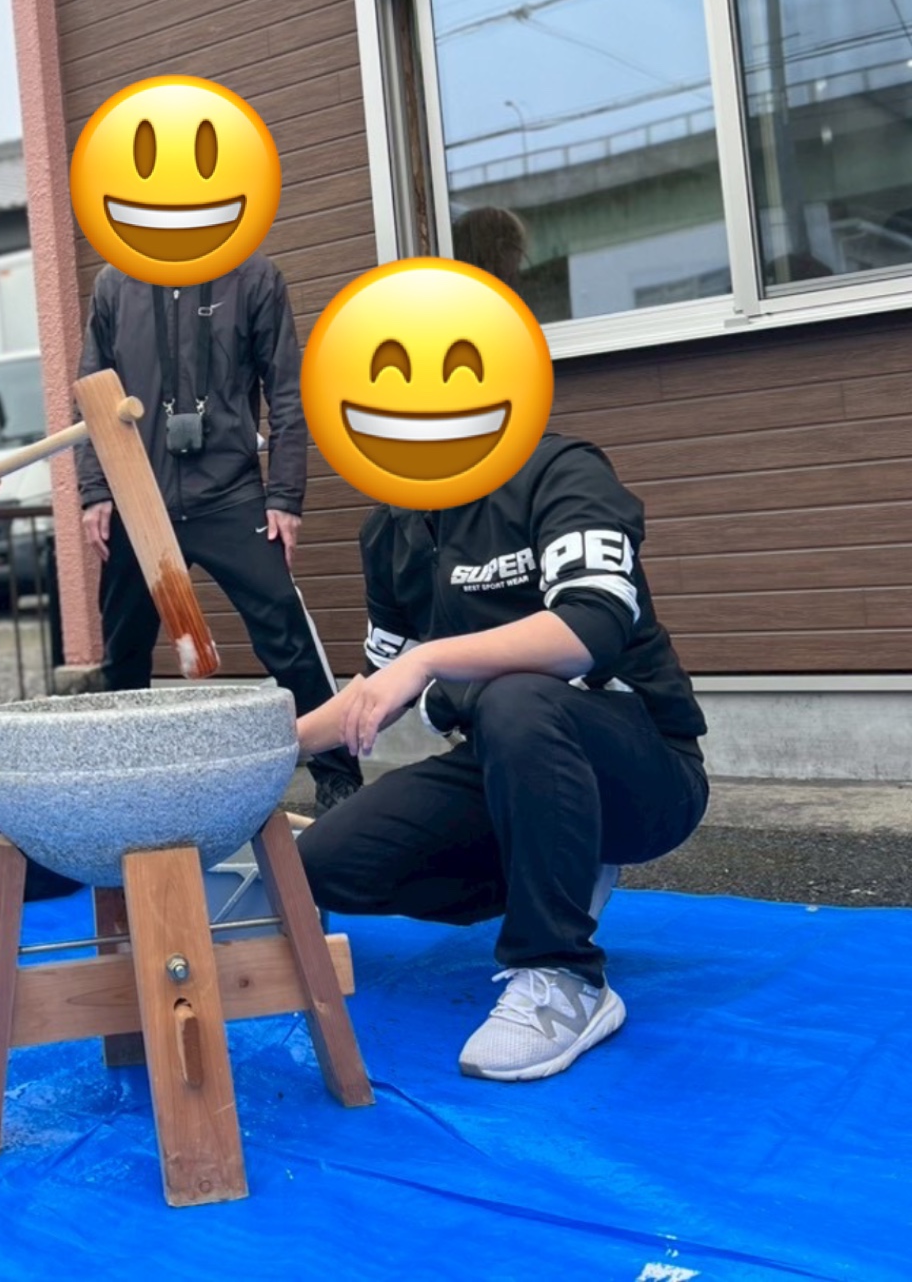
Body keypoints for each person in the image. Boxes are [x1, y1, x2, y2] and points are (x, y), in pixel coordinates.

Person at [293, 431, 709, 1083]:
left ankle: (562, 973)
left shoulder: (554, 469)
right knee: (320, 863)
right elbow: (374, 688)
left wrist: (428, 660)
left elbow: (588, 627)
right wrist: (270, 746)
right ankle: (562, 865)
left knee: (514, 697)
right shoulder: (389, 531)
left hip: (643, 772)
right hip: (508, 769)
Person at [74, 252, 358, 808]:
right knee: (124, 648)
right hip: (139, 493)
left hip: (231, 491)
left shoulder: (254, 277)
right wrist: (95, 490)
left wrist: (285, 496)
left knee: (286, 632)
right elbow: (91, 392)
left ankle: (338, 776)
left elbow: (286, 391)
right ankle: (125, 786)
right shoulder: (114, 283)